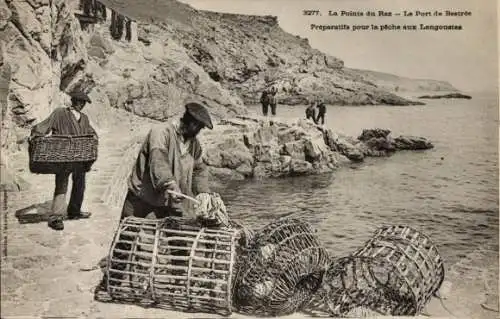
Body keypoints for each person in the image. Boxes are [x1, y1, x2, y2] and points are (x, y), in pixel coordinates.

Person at [121, 101, 213, 221]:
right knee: (143, 235)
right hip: (143, 202)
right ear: (192, 123)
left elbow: (199, 170)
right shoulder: (161, 132)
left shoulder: (194, 145)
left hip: (167, 204)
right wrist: (171, 184)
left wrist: (203, 192)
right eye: (199, 128)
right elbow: (158, 162)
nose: (198, 132)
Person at [30, 91, 98, 231]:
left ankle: (74, 211)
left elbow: (91, 132)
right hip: (63, 155)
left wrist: (94, 137)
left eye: (84, 103)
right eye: (79, 101)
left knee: (80, 183)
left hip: (80, 156)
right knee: (61, 183)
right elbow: (45, 126)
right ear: (74, 101)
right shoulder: (60, 113)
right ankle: (56, 217)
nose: (82, 105)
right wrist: (36, 135)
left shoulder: (84, 118)